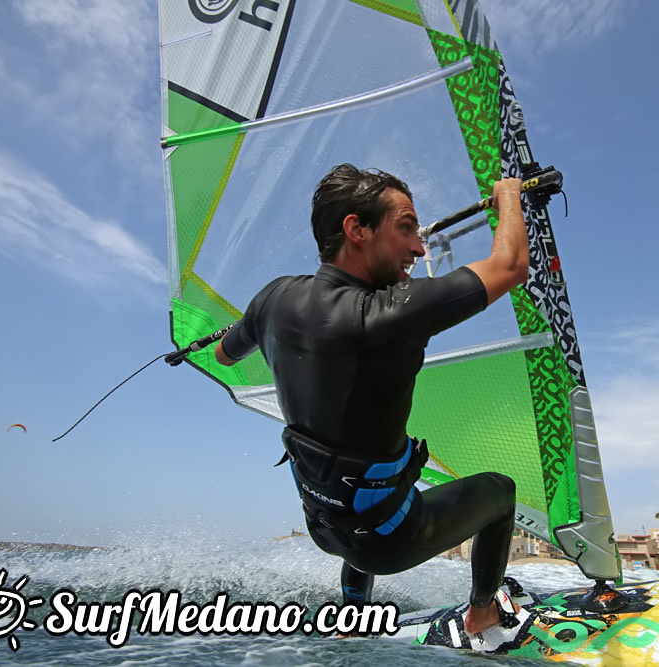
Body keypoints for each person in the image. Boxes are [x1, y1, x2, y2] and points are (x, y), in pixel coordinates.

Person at [215, 163, 529, 635]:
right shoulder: (384, 313)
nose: (419, 248)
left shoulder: (272, 298)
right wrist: (509, 194)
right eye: (406, 229)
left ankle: (352, 612)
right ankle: (481, 613)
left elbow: (223, 354)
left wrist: (250, 326)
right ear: (356, 229)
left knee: (364, 491)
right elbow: (510, 266)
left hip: (323, 525)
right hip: (386, 543)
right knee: (500, 491)